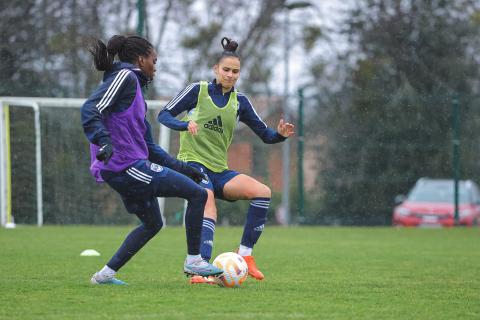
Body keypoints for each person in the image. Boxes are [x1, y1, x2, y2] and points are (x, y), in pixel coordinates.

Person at [81, 35, 223, 285]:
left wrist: (185, 169)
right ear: (140, 59)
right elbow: (91, 109)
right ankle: (194, 259)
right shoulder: (125, 77)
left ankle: (103, 276)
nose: (155, 66)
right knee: (198, 195)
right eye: (154, 61)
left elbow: (150, 148)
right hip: (124, 166)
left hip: (128, 166)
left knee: (153, 224)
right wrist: (104, 141)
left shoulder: (136, 93)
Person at [157, 37, 295, 284]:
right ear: (216, 70)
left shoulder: (239, 102)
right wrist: (183, 124)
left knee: (262, 192)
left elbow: (265, 135)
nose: (231, 75)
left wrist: (281, 136)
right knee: (207, 199)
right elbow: (163, 114)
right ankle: (202, 268)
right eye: (226, 70)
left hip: (219, 170)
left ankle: (246, 256)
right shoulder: (197, 91)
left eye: (235, 72)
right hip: (192, 163)